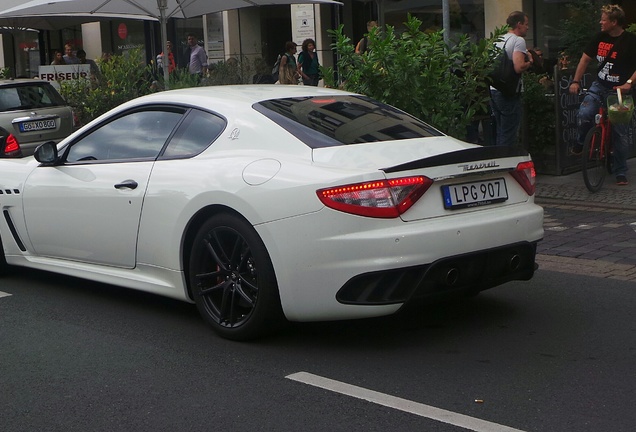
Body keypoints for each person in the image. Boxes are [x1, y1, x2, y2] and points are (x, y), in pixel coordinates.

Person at [569, 4, 636, 186]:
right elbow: (585, 59)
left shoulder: (630, 41)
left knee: (620, 133)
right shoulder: (599, 37)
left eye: (604, 19)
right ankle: (581, 143)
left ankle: (620, 171)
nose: (600, 22)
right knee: (584, 114)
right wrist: (575, 81)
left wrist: (628, 83)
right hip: (599, 86)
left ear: (614, 22)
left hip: (619, 92)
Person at [490, 11, 534, 147]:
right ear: (519, 24)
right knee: (509, 133)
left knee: (500, 130)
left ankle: (498, 163)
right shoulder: (518, 40)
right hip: (508, 92)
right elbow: (519, 67)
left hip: (493, 89)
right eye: (526, 24)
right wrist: (530, 62)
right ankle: (507, 165)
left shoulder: (498, 39)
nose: (528, 27)